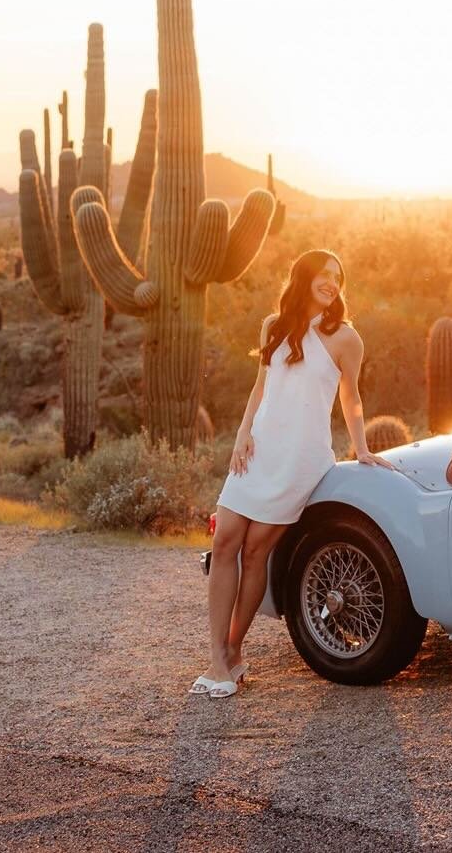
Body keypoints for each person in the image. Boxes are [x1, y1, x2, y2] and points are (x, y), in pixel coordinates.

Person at [191, 248, 384, 698]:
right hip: (260, 449)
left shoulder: (345, 338)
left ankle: (233, 652)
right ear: (304, 277)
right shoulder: (272, 326)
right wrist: (242, 436)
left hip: (302, 456)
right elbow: (260, 387)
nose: (333, 283)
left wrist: (363, 449)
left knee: (257, 550)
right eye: (325, 273)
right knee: (225, 542)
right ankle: (218, 657)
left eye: (339, 276)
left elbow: (350, 398)